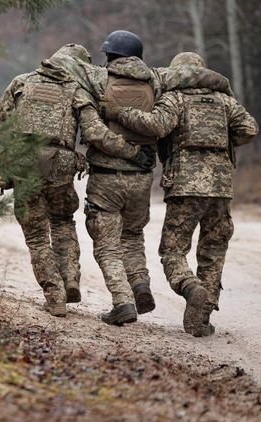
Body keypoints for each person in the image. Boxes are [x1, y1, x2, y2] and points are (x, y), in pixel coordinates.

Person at [63, 30, 233, 326]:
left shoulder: (97, 77)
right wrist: (224, 84)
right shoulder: (156, 78)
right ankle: (140, 285)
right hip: (142, 176)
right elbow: (192, 75)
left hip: (106, 178)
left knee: (106, 245)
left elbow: (64, 67)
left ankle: (123, 302)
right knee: (132, 236)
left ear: (110, 55)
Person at [100, 52, 258, 336]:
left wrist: (120, 112)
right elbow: (249, 129)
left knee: (173, 251)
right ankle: (202, 317)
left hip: (185, 186)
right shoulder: (225, 101)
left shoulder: (174, 98)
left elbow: (156, 126)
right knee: (213, 250)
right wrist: (220, 144)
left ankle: (190, 286)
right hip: (221, 188)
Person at [0, 44, 91, 317]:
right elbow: (91, 130)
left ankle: (55, 294)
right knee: (63, 222)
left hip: (26, 162)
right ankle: (70, 276)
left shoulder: (22, 82)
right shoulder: (77, 90)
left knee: (36, 237)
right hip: (61, 162)